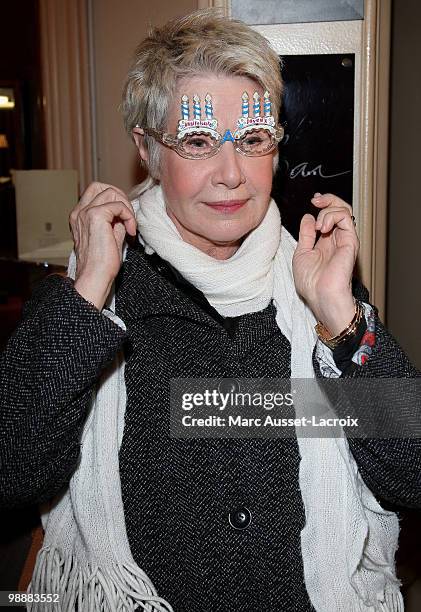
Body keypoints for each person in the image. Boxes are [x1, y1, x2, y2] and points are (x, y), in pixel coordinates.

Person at [1, 9, 420, 612]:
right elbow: (14, 471)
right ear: (146, 149)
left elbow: (411, 472)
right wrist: (87, 292)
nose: (232, 174)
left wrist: (342, 318)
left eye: (252, 140)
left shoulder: (312, 283)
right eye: (198, 143)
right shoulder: (99, 296)